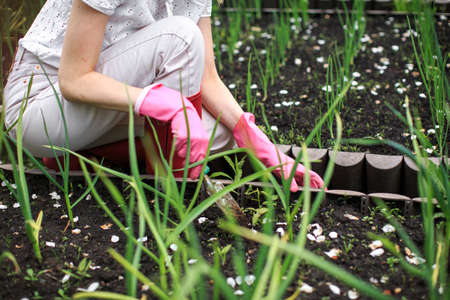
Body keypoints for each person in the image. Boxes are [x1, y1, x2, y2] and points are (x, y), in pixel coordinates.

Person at [3, 0, 324, 191]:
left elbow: (207, 78)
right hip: (40, 111)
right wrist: (158, 103)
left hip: (101, 107)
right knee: (179, 36)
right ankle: (171, 180)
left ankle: (89, 159)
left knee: (221, 132)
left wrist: (257, 141)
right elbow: (74, 80)